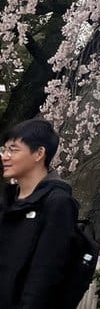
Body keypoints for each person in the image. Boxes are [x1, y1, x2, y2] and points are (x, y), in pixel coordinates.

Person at [0, 118, 80, 309]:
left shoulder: (57, 203)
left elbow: (45, 276)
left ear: (39, 153)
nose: (5, 156)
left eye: (13, 149)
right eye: (4, 150)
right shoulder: (8, 201)